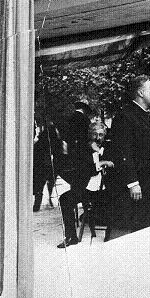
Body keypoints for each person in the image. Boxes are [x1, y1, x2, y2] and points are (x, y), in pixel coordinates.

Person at [106, 75, 150, 239]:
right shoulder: (125, 116)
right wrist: (133, 183)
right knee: (140, 229)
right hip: (139, 184)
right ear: (140, 92)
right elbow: (123, 153)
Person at [56, 102, 94, 248]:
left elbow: (65, 144)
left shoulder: (70, 121)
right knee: (70, 196)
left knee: (66, 199)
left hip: (81, 171)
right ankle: (72, 235)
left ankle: (71, 236)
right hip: (86, 173)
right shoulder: (87, 124)